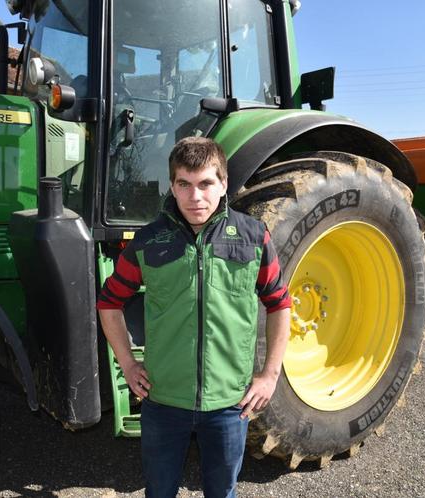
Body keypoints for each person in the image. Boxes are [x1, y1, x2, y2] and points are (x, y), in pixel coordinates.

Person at [97, 137, 291, 498]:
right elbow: (109, 302)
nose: (195, 196)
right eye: (184, 184)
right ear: (172, 185)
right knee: (158, 492)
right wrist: (127, 362)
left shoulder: (253, 238)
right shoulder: (149, 241)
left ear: (223, 184)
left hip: (228, 404)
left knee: (222, 492)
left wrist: (269, 376)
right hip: (163, 401)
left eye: (205, 183)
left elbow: (279, 303)